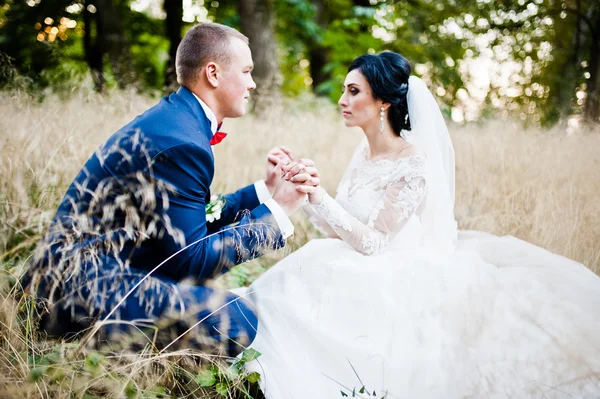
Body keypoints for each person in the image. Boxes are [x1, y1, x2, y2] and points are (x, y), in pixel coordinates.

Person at [243, 51, 600, 398]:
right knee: (289, 284)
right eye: (344, 90)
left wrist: (321, 195)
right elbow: (338, 229)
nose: (342, 99)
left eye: (353, 91)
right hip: (352, 257)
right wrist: (298, 191)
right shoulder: (362, 153)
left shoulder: (412, 162)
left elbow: (375, 242)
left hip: (393, 270)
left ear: (383, 101)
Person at [21, 23, 319, 356]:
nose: (252, 83)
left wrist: (265, 190)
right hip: (79, 288)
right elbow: (189, 261)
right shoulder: (182, 140)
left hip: (90, 270)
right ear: (213, 74)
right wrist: (278, 212)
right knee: (237, 318)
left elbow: (185, 222)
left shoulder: (178, 119)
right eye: (247, 71)